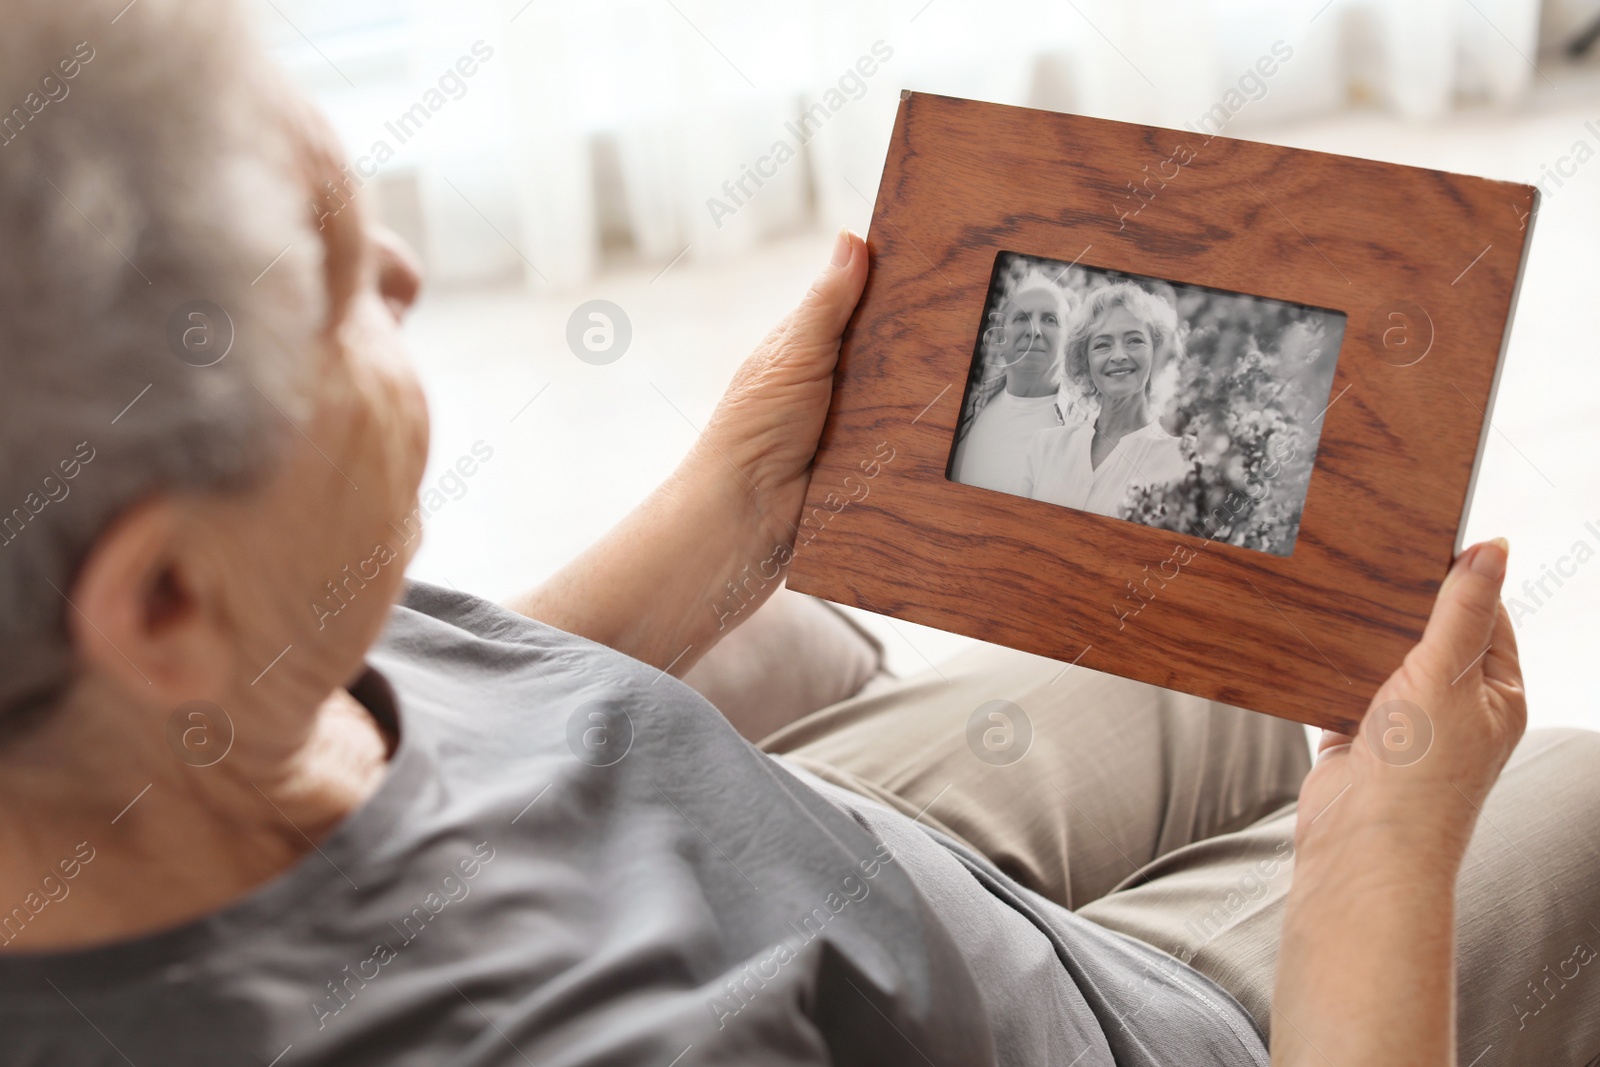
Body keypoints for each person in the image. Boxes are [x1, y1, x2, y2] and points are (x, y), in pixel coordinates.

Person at [1, 4, 1598, 1067]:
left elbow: (460, 722)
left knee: (1221, 657)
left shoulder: (163, 681)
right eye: (338, 286)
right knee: (1571, 793)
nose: (410, 273)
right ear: (165, 603)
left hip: (816, 858)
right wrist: (1378, 856)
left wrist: (733, 509)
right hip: (1093, 1020)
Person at [1022, 282, 1189, 516]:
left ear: (1157, 354)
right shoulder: (1045, 446)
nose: (1119, 355)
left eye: (1134, 340)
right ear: (1085, 361)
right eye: (1102, 344)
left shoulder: (1179, 461)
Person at [947, 271, 1071, 497]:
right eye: (1021, 318)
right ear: (999, 339)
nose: (1034, 331)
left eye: (1050, 319)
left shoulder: (1085, 426)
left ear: (1069, 341)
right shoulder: (966, 409)